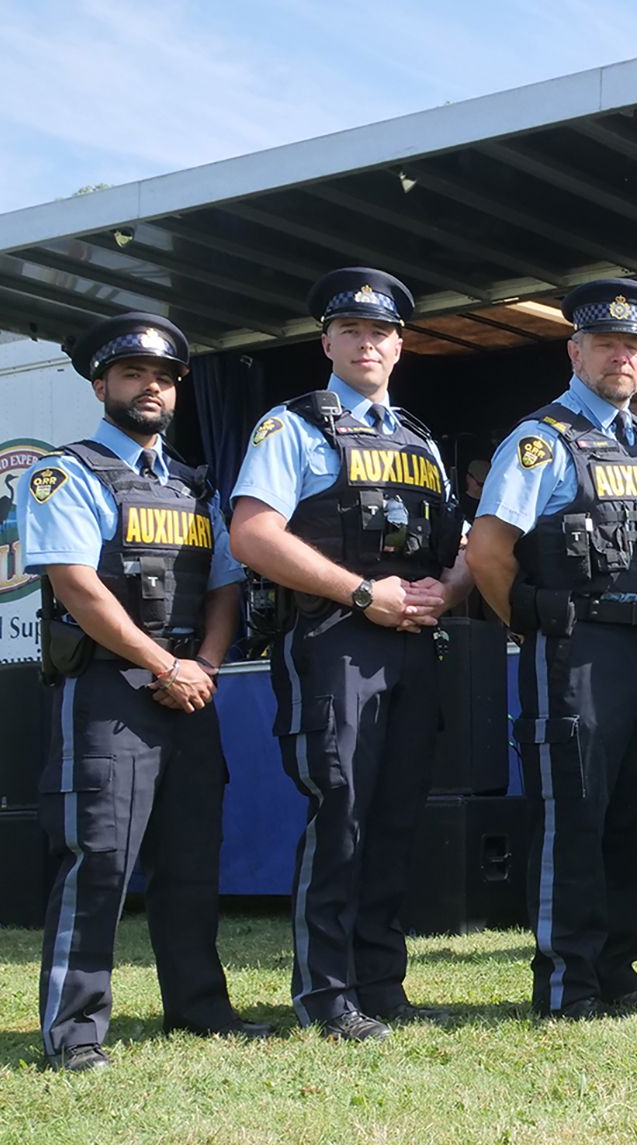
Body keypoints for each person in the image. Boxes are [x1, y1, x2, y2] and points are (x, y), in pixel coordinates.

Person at [18, 313, 269, 1071]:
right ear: (102, 385)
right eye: (133, 375)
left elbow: (226, 587)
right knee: (97, 862)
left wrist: (206, 666)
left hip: (190, 693)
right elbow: (80, 590)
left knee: (192, 862)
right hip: (110, 694)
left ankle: (197, 1008)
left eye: (162, 378)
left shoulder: (197, 486)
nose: (150, 388)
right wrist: (166, 665)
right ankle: (74, 1032)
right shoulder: (65, 472)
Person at [229, 267, 470, 1042]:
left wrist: (448, 591)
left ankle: (380, 984)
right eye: (353, 331)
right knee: (341, 812)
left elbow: (460, 544)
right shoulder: (291, 427)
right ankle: (326, 996)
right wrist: (363, 594)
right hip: (334, 642)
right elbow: (253, 535)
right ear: (326, 340)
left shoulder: (423, 440)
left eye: (382, 332)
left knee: (394, 816)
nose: (368, 343)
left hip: (412, 646)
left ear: (401, 345)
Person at [466, 279, 637, 1020]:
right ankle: (567, 981)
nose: (621, 357)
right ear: (575, 351)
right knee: (575, 815)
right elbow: (490, 548)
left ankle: (618, 970)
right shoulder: (541, 439)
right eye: (606, 344)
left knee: (631, 813)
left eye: (634, 346)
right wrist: (525, 619)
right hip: (573, 648)